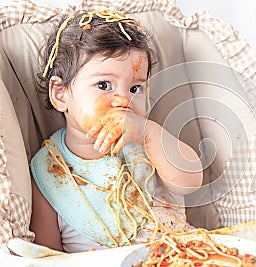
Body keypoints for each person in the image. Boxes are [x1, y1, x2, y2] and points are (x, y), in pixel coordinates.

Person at [29, 9, 203, 253]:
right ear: (60, 94)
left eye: (135, 88)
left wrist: (147, 133)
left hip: (182, 255)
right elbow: (46, 255)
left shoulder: (149, 141)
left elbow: (190, 182)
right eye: (103, 85)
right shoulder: (48, 171)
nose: (123, 99)